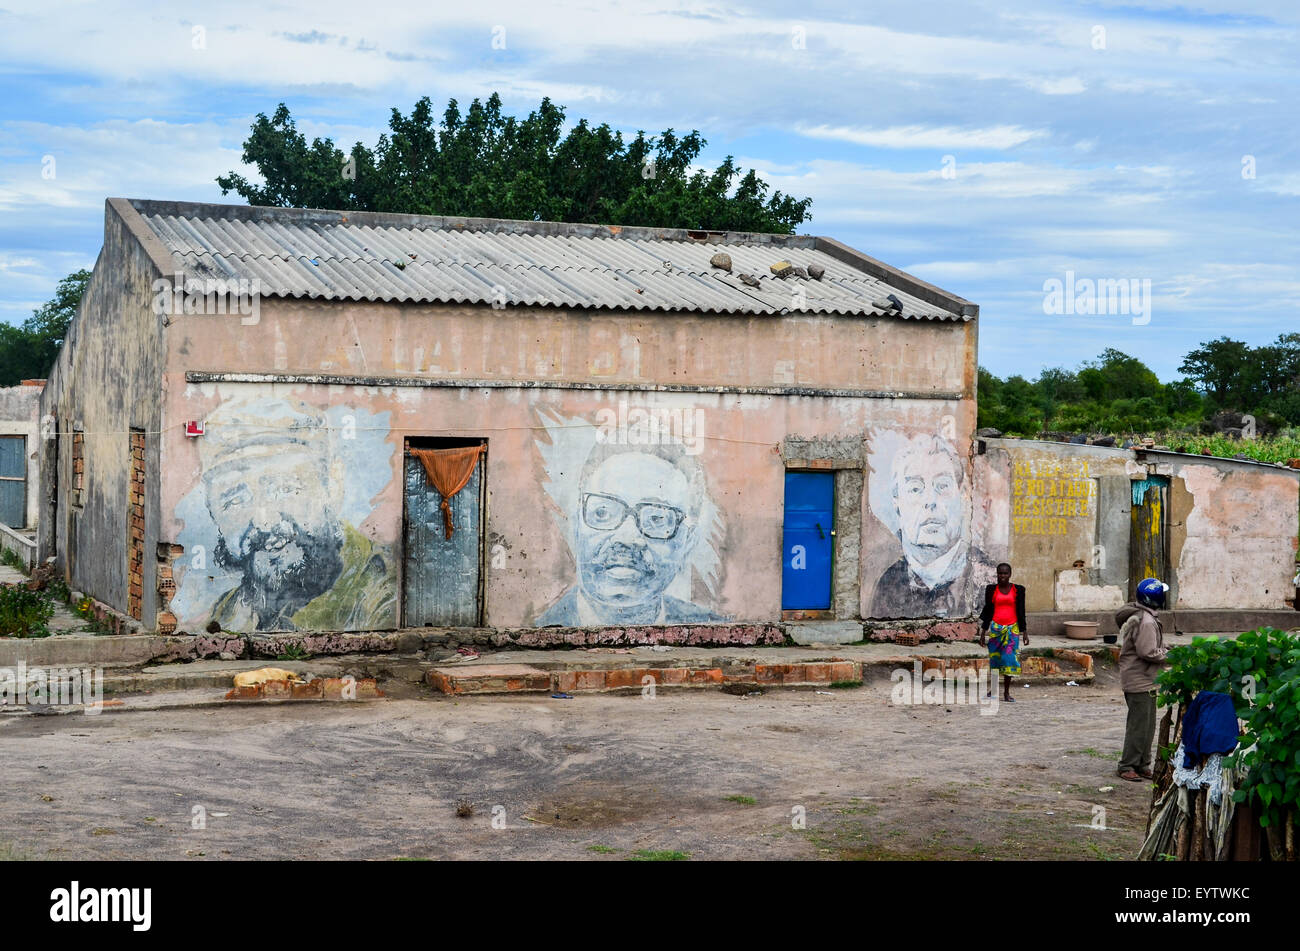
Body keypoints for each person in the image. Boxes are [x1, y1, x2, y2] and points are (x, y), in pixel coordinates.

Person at [199, 397, 395, 632]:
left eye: (285, 489)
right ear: (212, 510)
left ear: (333, 487)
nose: (264, 521)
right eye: (234, 500)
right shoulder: (228, 611)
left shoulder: (381, 594)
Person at [535, 441, 724, 626]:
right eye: (602, 513)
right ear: (576, 527)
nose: (626, 538)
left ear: (688, 541)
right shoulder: (539, 638)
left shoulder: (715, 635)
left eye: (656, 519)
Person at [868, 433, 997, 618]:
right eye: (915, 488)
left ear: (963, 495)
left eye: (942, 486)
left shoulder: (986, 575)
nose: (930, 501)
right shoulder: (886, 583)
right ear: (896, 501)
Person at [1115, 578, 1171, 782]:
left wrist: (1165, 648)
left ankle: (1142, 764)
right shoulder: (1147, 621)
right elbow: (1147, 651)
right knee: (1139, 725)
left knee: (1147, 725)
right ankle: (1127, 765)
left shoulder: (1144, 616)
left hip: (1143, 679)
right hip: (1140, 680)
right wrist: (1169, 655)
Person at [978, 562, 1027, 702]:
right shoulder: (991, 589)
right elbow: (987, 611)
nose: (1002, 576)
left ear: (1010, 574)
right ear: (997, 574)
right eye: (1000, 573)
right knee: (995, 661)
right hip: (996, 630)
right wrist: (983, 632)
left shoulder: (1018, 590)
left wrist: (1025, 632)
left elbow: (1021, 611)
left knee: (1009, 661)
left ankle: (1006, 693)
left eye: (1005, 573)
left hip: (1012, 630)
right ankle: (993, 690)